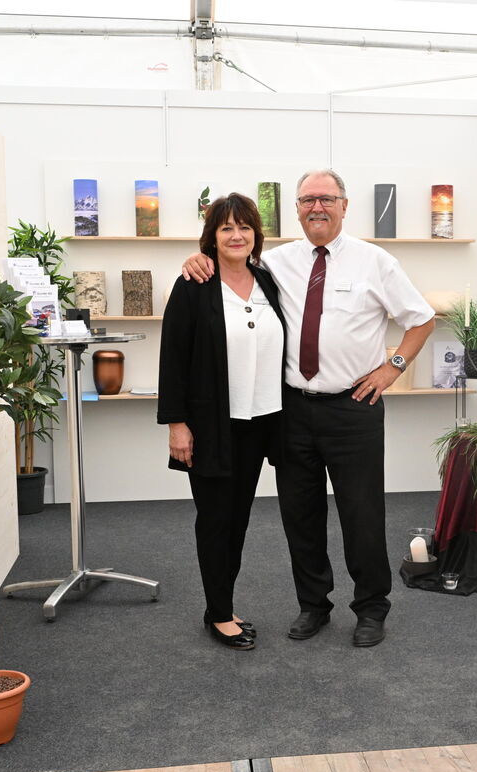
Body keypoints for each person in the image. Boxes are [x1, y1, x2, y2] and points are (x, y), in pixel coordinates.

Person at [182, 168, 435, 647]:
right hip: (292, 411)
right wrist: (197, 258)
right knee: (300, 516)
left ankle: (371, 608)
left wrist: (392, 368)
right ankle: (313, 605)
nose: (317, 207)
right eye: (307, 200)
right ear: (296, 209)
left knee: (362, 515)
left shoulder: (375, 261)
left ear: (344, 205)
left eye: (327, 198)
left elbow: (421, 320)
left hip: (353, 409)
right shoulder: (274, 264)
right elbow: (228, 263)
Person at [158, 192, 286, 651]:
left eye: (244, 227)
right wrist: (177, 424)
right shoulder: (193, 285)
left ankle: (222, 605)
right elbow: (173, 357)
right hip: (212, 425)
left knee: (238, 520)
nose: (236, 235)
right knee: (215, 520)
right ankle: (218, 614)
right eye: (226, 227)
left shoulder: (268, 280)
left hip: (260, 422)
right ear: (211, 236)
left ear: (256, 235)